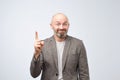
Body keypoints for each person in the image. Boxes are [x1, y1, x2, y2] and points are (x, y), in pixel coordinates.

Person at [30, 13, 90, 80]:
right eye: (58, 24)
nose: (61, 27)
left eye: (64, 24)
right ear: (51, 26)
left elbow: (84, 75)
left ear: (68, 25)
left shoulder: (78, 44)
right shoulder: (43, 45)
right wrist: (36, 54)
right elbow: (34, 74)